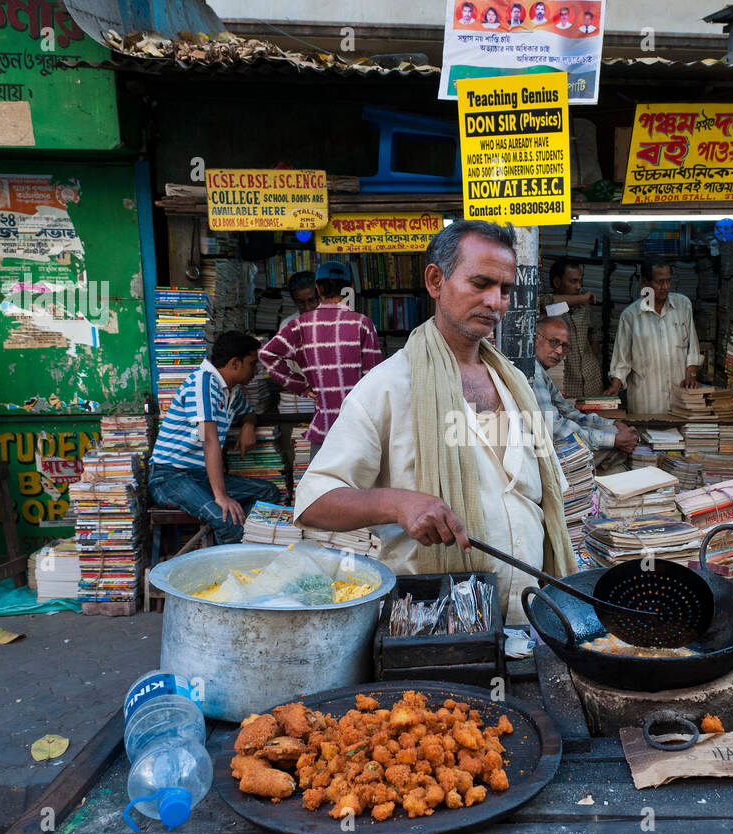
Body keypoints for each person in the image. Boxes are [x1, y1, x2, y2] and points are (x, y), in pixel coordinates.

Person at [293, 220, 575, 623]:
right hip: (440, 623)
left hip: (529, 617)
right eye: (480, 284)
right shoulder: (390, 386)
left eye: (505, 289)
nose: (495, 302)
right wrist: (397, 503)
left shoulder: (514, 384)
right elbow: (314, 500)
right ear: (435, 281)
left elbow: (519, 489)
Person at [149, 332, 285, 544]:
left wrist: (248, 425)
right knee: (226, 519)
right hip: (169, 478)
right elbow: (208, 440)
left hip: (200, 477)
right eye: (251, 364)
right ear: (234, 363)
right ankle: (231, 568)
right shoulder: (203, 384)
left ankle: (243, 543)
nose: (255, 371)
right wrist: (221, 496)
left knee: (268, 493)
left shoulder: (230, 391)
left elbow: (247, 413)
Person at [257, 261, 382, 453]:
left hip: (323, 428)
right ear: (350, 288)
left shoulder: (299, 325)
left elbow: (266, 354)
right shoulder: (363, 324)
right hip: (358, 428)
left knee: (321, 482)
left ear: (317, 288)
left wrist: (303, 387)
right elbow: (373, 379)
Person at [531, 315, 637, 473]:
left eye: (564, 346)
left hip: (547, 445)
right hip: (538, 454)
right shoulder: (534, 373)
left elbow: (569, 412)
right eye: (553, 342)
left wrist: (611, 424)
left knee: (614, 442)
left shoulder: (542, 373)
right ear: (535, 338)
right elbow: (555, 427)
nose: (559, 351)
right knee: (613, 448)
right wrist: (613, 440)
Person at [605, 259, 701, 415]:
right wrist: (615, 387)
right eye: (660, 282)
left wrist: (691, 375)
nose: (666, 287)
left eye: (668, 281)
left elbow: (693, 349)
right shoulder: (630, 316)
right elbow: (622, 362)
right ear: (645, 283)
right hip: (646, 403)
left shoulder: (683, 305)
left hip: (680, 401)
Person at [540, 257, 603, 399]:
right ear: (557, 282)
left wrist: (591, 359)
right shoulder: (549, 307)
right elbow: (547, 303)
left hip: (591, 380)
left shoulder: (584, 308)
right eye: (573, 281)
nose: (579, 287)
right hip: (564, 380)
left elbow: (596, 333)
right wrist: (581, 298)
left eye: (580, 281)